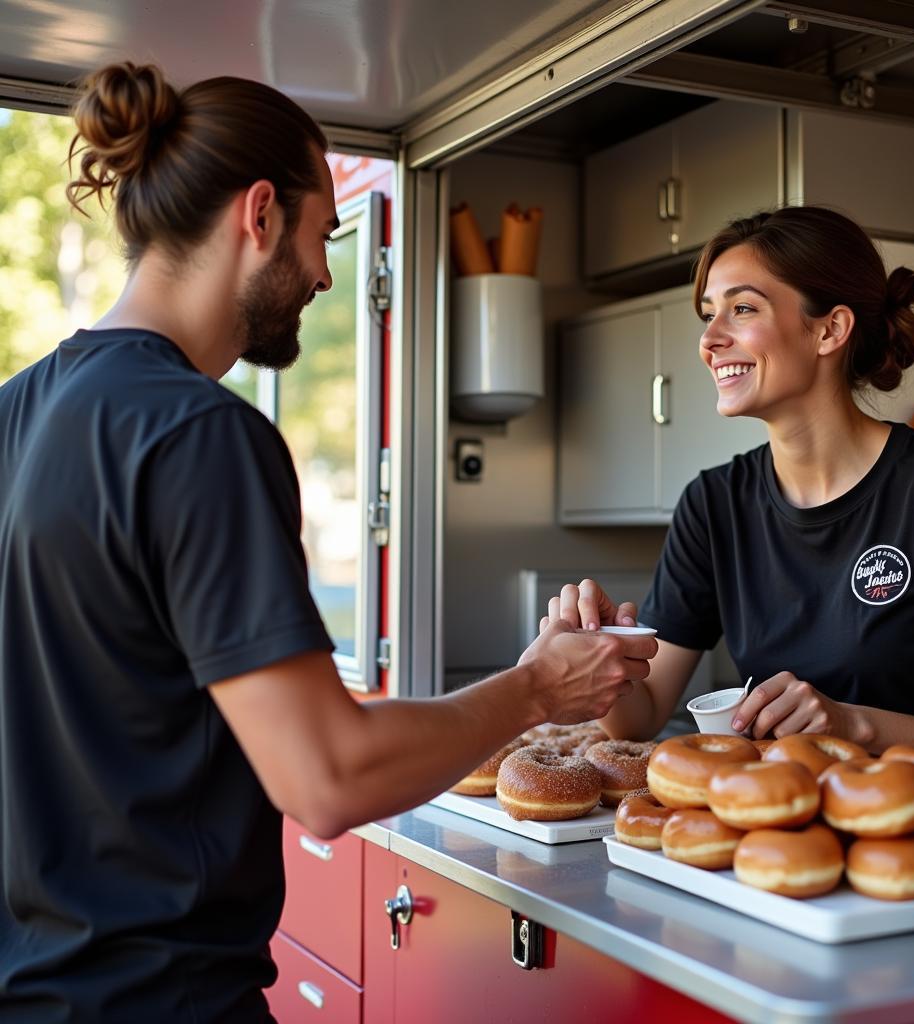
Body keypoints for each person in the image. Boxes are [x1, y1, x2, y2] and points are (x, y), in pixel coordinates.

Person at [0, 63, 657, 1023]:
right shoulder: (198, 433)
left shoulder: (16, 413)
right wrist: (537, 690)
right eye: (323, 237)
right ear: (259, 214)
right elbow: (327, 776)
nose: (320, 274)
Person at [544, 206, 914, 754]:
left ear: (829, 328)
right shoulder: (714, 504)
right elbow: (638, 720)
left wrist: (854, 725)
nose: (709, 340)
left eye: (741, 308)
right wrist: (599, 650)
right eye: (708, 314)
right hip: (775, 829)